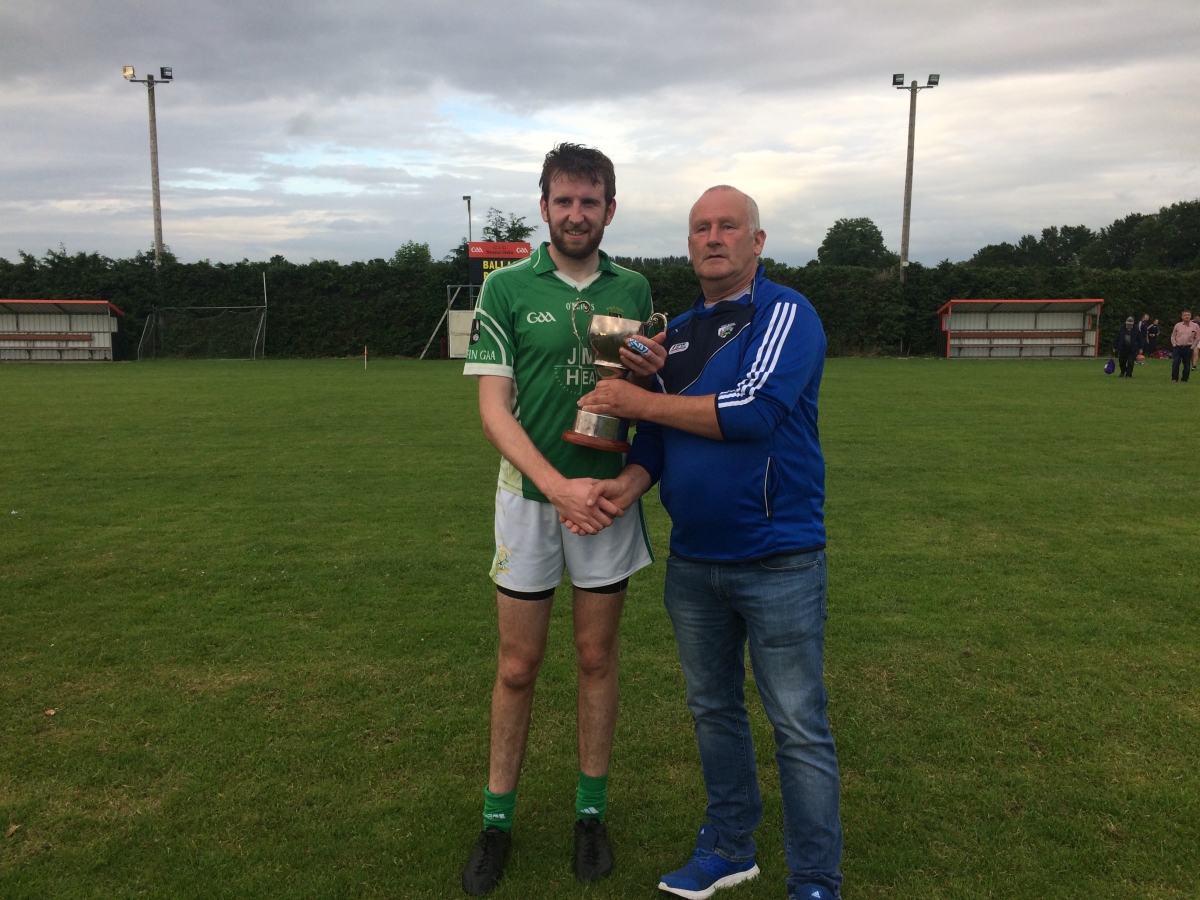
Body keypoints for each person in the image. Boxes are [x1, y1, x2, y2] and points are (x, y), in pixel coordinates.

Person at [573, 185, 843, 900]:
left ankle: (816, 880)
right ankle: (728, 847)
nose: (714, 237)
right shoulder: (680, 333)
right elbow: (659, 436)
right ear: (689, 244)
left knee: (798, 725)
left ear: (757, 242)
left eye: (730, 226)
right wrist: (625, 488)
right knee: (714, 712)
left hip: (778, 558)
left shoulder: (786, 312)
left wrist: (637, 401)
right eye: (701, 228)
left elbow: (753, 410)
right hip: (694, 562)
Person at [458, 143, 662, 895]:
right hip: (530, 502)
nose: (578, 214)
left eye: (592, 200)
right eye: (565, 201)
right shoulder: (508, 288)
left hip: (608, 501)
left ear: (611, 207)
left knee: (596, 660)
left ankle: (589, 814)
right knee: (517, 667)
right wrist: (556, 487)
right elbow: (492, 411)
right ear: (544, 207)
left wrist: (648, 370)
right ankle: (496, 822)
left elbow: (643, 389)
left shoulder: (636, 287)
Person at [1169, 310, 1199, 383]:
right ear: (1182, 317)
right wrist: (1174, 344)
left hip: (1188, 347)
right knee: (1175, 362)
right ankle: (1174, 378)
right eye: (1185, 315)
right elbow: (1173, 336)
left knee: (1186, 364)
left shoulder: (1195, 326)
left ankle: (1184, 379)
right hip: (1178, 347)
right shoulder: (1178, 325)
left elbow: (1197, 338)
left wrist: (1192, 346)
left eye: (1188, 315)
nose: (1187, 316)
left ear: (1190, 316)